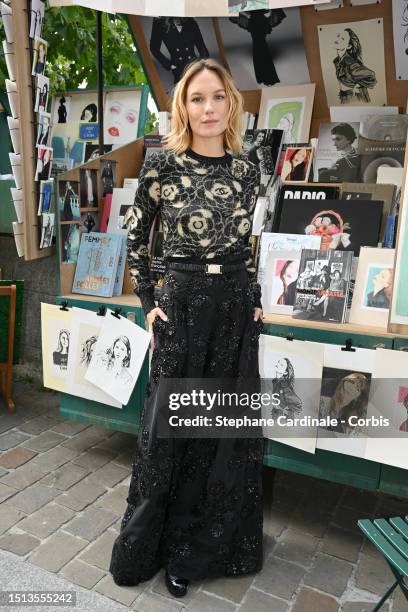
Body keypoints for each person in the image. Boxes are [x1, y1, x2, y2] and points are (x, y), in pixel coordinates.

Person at [109, 58, 267, 596]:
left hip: (234, 309)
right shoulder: (162, 165)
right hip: (181, 306)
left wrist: (256, 299)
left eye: (217, 97)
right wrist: (149, 303)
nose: (208, 108)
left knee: (219, 433)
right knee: (169, 430)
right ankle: (152, 545)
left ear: (231, 104)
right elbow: (137, 241)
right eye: (197, 98)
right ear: (183, 106)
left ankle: (196, 551)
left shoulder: (249, 169)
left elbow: (250, 245)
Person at [230, 9, 286, 86]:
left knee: (260, 53)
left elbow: (235, 17)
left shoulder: (254, 21)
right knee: (262, 53)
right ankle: (267, 77)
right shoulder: (260, 21)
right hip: (258, 34)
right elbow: (278, 15)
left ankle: (265, 77)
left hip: (257, 36)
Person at [150, 17, 209, 85]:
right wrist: (169, 65)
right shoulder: (159, 22)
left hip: (195, 67)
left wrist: (206, 65)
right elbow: (154, 48)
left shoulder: (190, 20)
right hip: (179, 70)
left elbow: (201, 46)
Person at [332, 28, 377, 104]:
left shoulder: (350, 63)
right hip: (344, 96)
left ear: (349, 46)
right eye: (338, 36)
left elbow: (371, 74)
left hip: (353, 98)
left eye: (342, 39)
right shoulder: (337, 60)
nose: (338, 39)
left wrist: (359, 86)